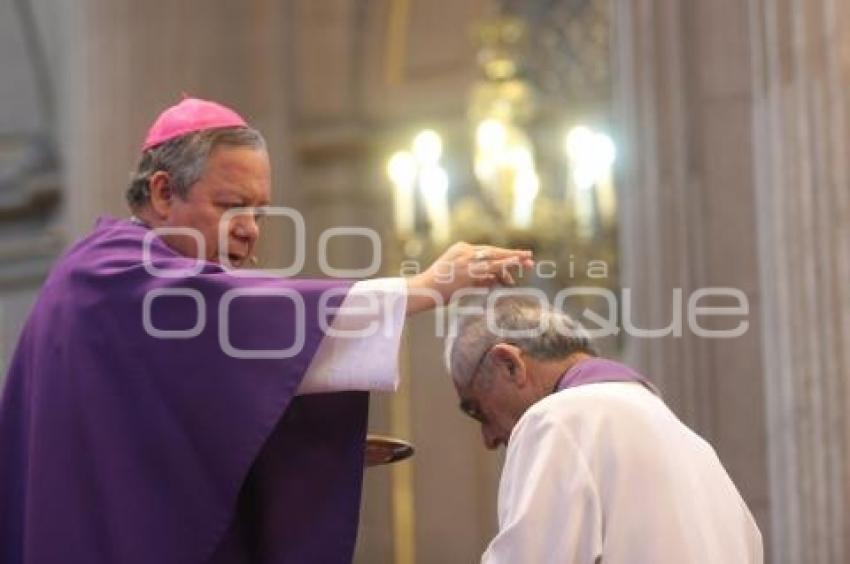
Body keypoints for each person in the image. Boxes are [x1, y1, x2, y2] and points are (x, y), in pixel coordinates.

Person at [0, 97, 533, 564]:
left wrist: (293, 447)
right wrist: (423, 288)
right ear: (164, 193)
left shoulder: (126, 277)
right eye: (231, 206)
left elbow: (164, 426)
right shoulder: (111, 274)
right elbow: (234, 315)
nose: (251, 230)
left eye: (259, 211)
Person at [446, 292, 763, 564]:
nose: (488, 438)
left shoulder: (559, 421)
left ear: (510, 364)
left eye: (477, 411)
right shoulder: (696, 447)